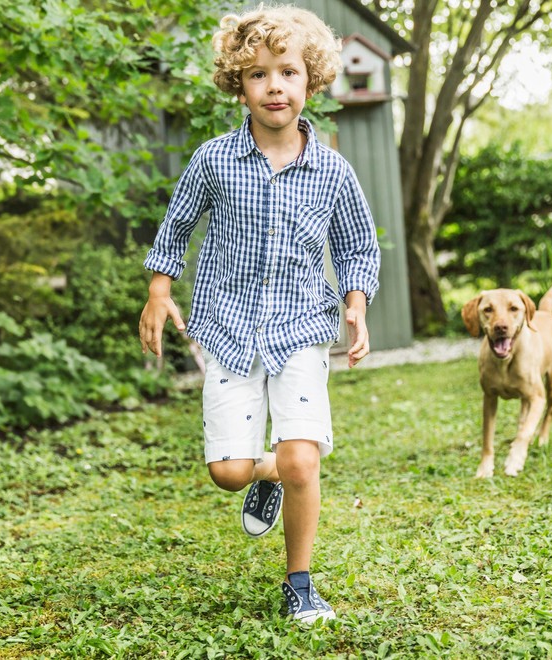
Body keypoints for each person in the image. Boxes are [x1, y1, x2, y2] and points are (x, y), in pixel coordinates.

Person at [138, 4, 380, 625]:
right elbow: (177, 226)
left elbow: (357, 244)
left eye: (289, 72)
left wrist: (355, 305)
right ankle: (265, 473)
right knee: (229, 471)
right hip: (228, 329)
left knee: (304, 458)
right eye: (259, 75)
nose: (275, 86)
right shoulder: (215, 160)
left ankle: (299, 581)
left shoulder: (332, 170)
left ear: (312, 81)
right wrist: (160, 293)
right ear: (238, 85)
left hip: (300, 329)